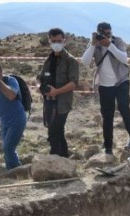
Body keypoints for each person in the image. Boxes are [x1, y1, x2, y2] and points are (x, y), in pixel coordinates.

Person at [81, 21, 130, 155]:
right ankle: (108, 147)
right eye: (105, 34)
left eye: (109, 33)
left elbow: (124, 59)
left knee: (124, 108)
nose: (107, 36)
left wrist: (110, 45)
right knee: (107, 116)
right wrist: (93, 44)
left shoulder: (117, 41)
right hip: (105, 85)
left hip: (121, 81)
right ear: (99, 33)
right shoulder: (94, 45)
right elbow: (85, 62)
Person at [37, 27, 79, 158]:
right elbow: (39, 77)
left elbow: (73, 83)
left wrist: (57, 91)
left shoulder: (70, 61)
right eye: (54, 40)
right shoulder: (48, 60)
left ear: (64, 41)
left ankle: (54, 160)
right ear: (49, 41)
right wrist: (39, 86)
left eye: (59, 41)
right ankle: (64, 159)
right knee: (58, 132)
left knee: (53, 134)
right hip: (48, 103)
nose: (56, 43)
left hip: (62, 104)